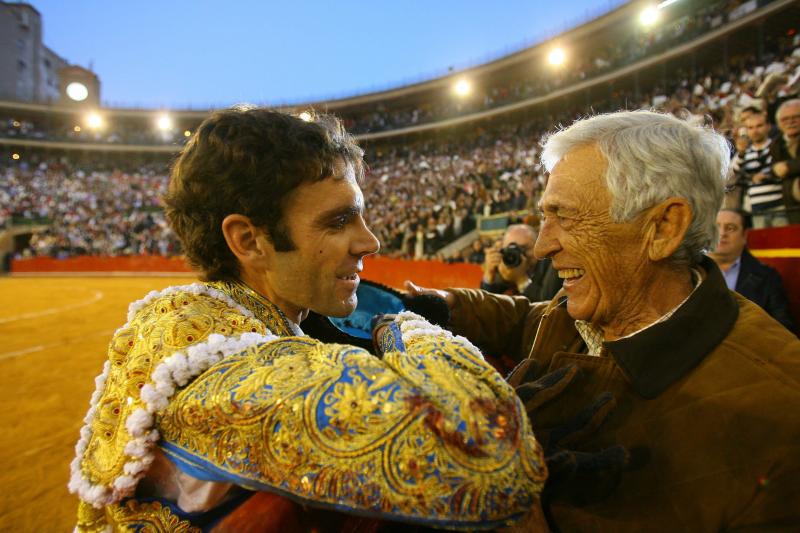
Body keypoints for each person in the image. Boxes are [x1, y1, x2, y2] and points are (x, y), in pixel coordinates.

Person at [68, 107, 547, 532]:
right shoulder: (223, 367)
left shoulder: (222, 322)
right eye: (338, 222)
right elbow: (490, 463)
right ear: (250, 241)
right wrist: (406, 327)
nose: (370, 242)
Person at [407, 111, 800, 531]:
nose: (542, 246)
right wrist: (445, 303)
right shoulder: (592, 300)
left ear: (663, 228)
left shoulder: (780, 422)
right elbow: (531, 319)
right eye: (545, 216)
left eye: (567, 216)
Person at [709, 208, 795, 332]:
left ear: (744, 235)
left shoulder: (768, 278)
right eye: (716, 228)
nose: (722, 233)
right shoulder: (688, 273)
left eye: (731, 228)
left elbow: (783, 330)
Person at [481, 224, 561, 302]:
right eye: (510, 248)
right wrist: (489, 274)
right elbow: (486, 306)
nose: (518, 253)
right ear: (503, 249)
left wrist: (521, 280)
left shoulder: (551, 265)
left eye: (524, 248)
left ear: (538, 247)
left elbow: (547, 306)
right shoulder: (504, 264)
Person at [731, 112, 784, 227]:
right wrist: (741, 152)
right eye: (750, 127)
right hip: (757, 207)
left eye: (759, 126)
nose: (755, 131)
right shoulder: (745, 152)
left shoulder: (778, 146)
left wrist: (766, 175)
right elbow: (734, 172)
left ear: (768, 126)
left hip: (779, 205)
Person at [770, 98, 800, 224]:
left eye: (796, 117)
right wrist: (775, 170)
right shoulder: (776, 144)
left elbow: (785, 167)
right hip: (793, 210)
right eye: (785, 119)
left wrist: (788, 166)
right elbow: (773, 168)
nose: (790, 122)